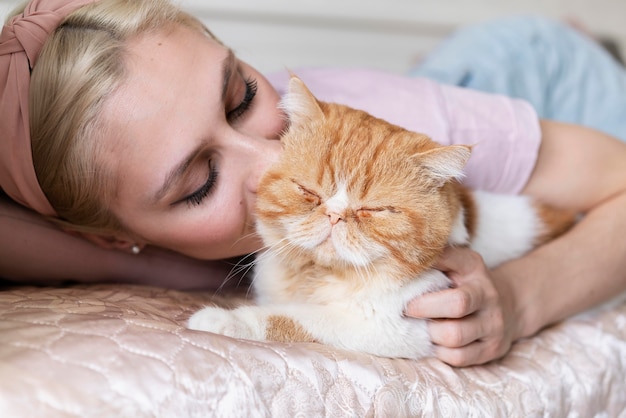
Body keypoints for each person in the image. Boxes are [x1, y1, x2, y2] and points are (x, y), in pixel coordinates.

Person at [1, 0, 626, 368]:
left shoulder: (398, 123)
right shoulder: (81, 235)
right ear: (112, 238)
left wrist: (519, 300)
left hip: (549, 71)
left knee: (505, 68)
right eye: (198, 183)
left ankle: (570, 50)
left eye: (241, 93)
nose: (278, 167)